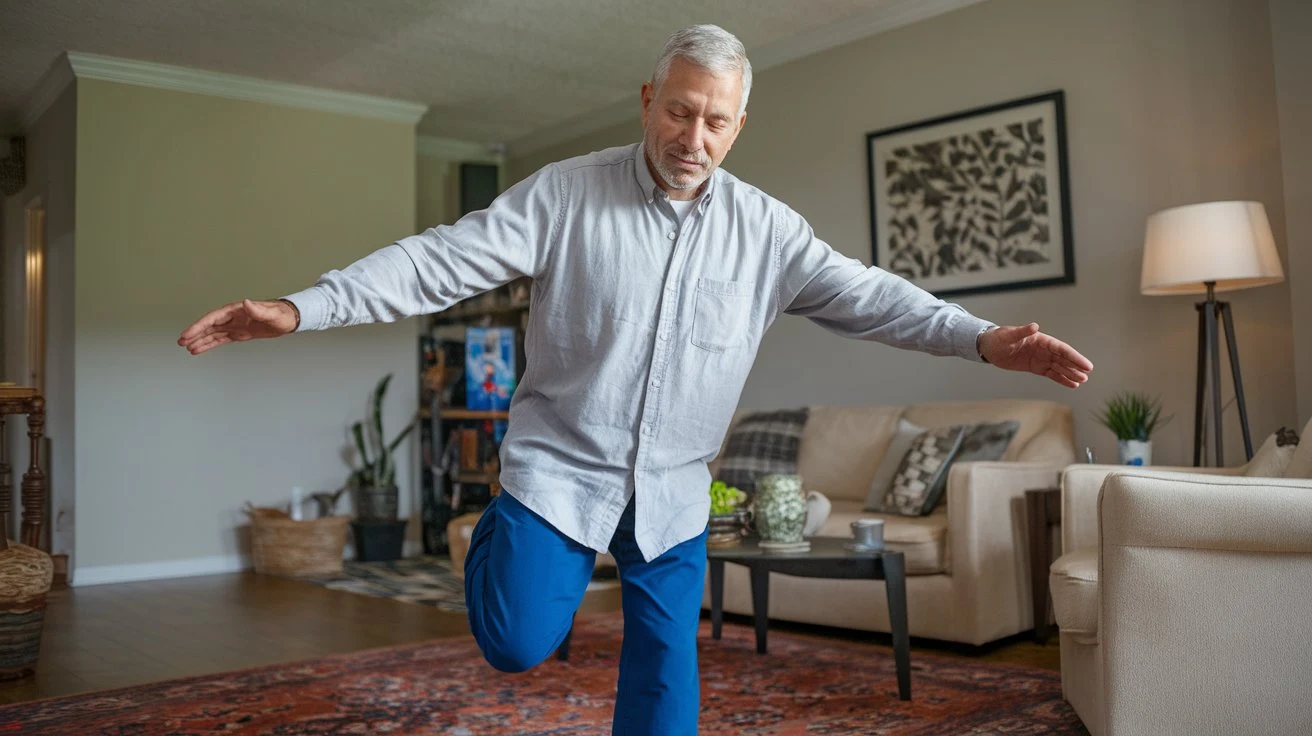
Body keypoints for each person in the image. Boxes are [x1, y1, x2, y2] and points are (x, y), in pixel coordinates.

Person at [178, 24, 1092, 735]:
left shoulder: (768, 232)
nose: (694, 137)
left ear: (739, 124)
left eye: (716, 120)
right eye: (679, 111)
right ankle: (497, 523)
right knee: (515, 643)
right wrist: (303, 307)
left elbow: (876, 297)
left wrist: (984, 341)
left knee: (665, 668)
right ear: (649, 98)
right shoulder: (564, 195)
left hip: (673, 486)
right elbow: (437, 263)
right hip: (557, 471)